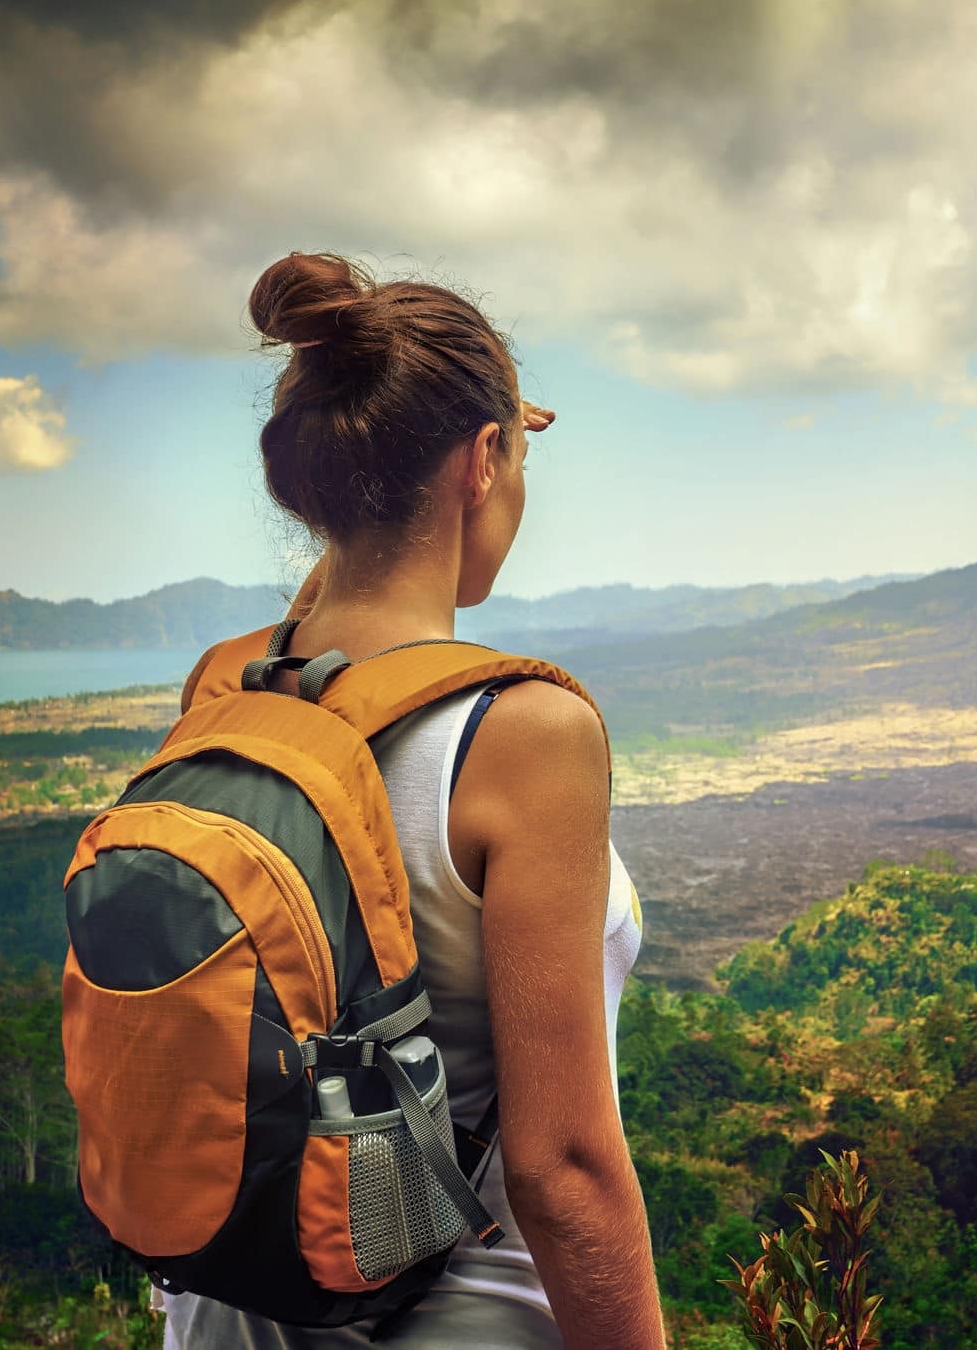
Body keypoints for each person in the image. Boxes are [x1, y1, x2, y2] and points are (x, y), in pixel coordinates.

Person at [160, 251, 665, 1350]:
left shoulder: (228, 687)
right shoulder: (524, 734)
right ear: (483, 462)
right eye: (514, 458)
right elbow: (561, 1166)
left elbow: (341, 627)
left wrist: (445, 424)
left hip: (222, 1322)